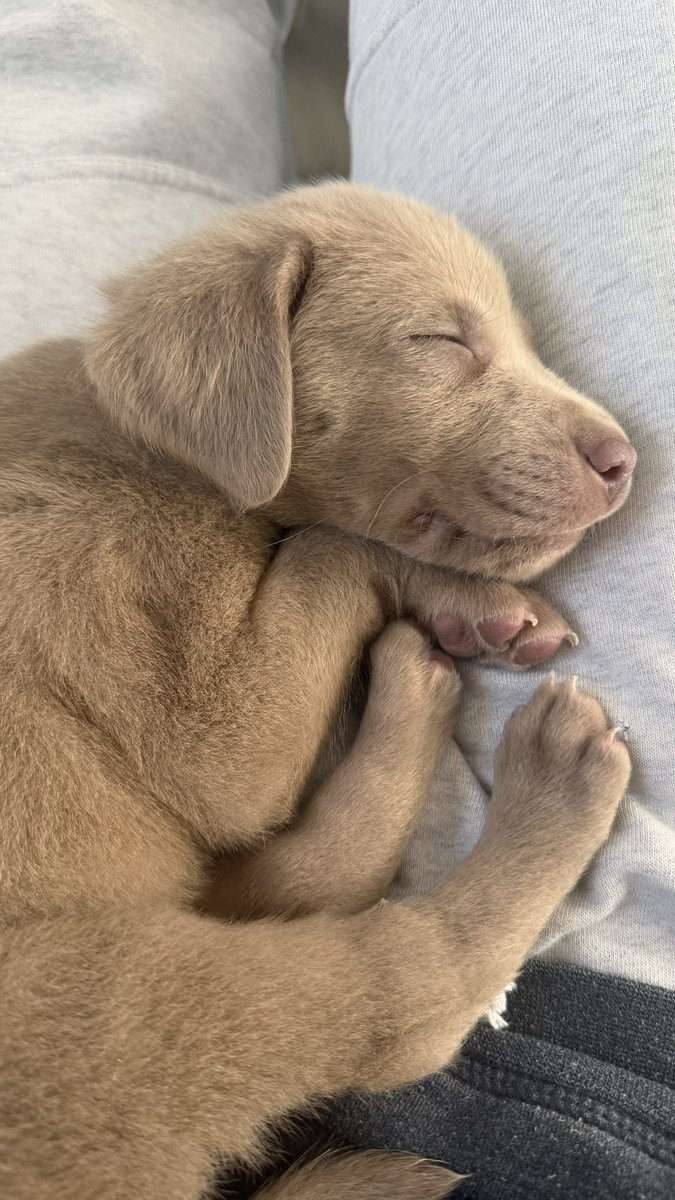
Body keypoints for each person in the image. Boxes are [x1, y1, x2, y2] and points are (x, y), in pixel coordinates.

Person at [2, 2, 673, 1195]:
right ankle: (444, 964)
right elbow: (234, 764)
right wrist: (344, 564)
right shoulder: (106, 504)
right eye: (444, 344)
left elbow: (196, 879)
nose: (597, 433)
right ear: (235, 368)